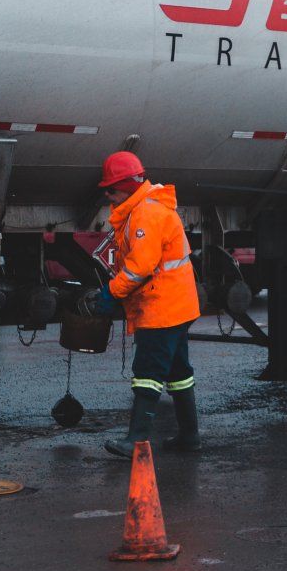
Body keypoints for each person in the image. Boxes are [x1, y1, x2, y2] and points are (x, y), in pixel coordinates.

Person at [97, 151, 202, 458]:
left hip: (162, 307)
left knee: (148, 371)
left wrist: (111, 292)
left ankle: (136, 441)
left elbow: (139, 268)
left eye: (111, 189)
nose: (108, 195)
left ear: (128, 185)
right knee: (179, 371)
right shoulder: (146, 207)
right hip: (177, 304)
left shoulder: (145, 214)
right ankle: (190, 436)